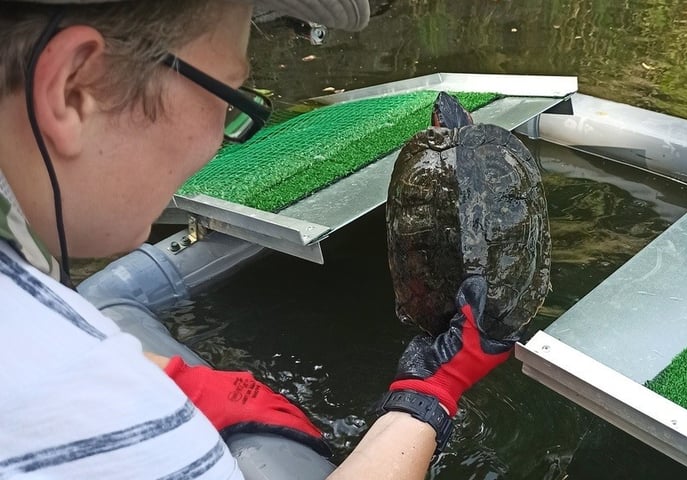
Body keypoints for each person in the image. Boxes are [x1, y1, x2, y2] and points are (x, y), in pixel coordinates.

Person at [0, 1, 520, 479]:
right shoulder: (109, 434)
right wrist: (431, 392)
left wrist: (182, 376)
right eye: (227, 98)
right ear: (74, 91)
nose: (217, 146)